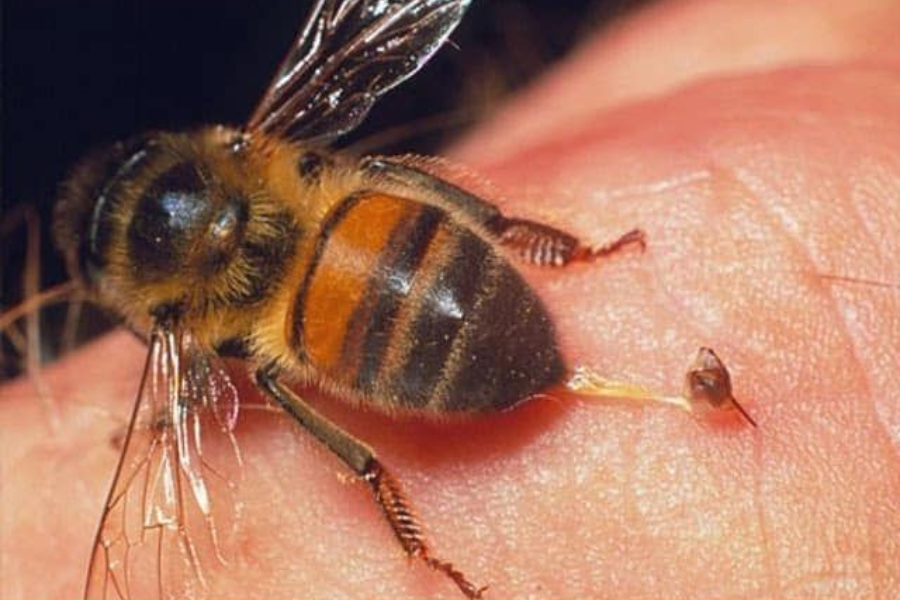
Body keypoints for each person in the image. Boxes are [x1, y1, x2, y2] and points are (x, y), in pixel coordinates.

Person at [2, 0, 898, 598]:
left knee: (274, 381)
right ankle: (563, 254)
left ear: (139, 302)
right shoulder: (262, 141)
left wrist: (163, 420)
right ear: (217, 150)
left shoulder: (174, 330)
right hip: (388, 246)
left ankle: (417, 550)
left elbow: (186, 417)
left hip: (351, 331)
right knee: (378, 175)